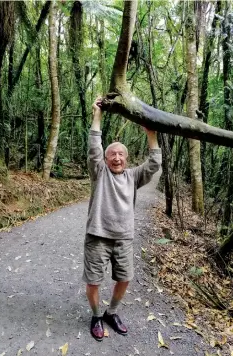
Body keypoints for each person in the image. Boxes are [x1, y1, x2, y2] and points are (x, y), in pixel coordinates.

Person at [83, 97, 162, 341]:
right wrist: (97, 115)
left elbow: (154, 163)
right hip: (98, 237)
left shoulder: (133, 176)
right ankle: (96, 316)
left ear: (126, 159)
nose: (117, 158)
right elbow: (94, 148)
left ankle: (111, 312)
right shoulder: (99, 172)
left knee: (125, 278)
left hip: (124, 238)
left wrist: (151, 134)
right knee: (94, 281)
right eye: (112, 154)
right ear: (106, 159)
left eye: (121, 154)